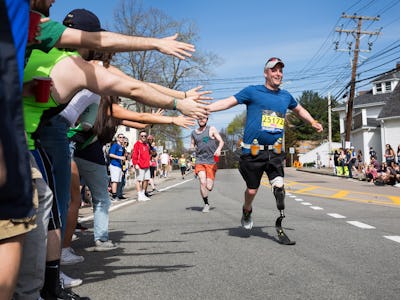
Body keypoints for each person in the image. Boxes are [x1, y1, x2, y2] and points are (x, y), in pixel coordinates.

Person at [207, 57, 323, 237]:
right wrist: (206, 109)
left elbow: (299, 110)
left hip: (275, 152)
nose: (278, 74)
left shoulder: (286, 96)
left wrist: (312, 121)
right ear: (266, 73)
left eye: (280, 71)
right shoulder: (252, 92)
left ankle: (278, 192)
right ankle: (247, 209)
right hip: (252, 152)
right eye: (274, 70)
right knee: (252, 190)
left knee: (278, 184)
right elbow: (228, 102)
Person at [190, 117, 224, 213]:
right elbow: (192, 145)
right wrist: (192, 149)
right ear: (197, 120)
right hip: (199, 160)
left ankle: (211, 181)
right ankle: (206, 204)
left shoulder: (211, 129)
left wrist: (218, 149)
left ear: (207, 120)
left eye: (203, 118)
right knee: (202, 182)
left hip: (211, 161)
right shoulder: (193, 133)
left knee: (209, 187)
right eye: (199, 118)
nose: (201, 120)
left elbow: (221, 141)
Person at [132, 131, 152, 202]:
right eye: (142, 136)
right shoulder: (137, 144)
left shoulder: (146, 144)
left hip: (146, 165)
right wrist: (135, 164)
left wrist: (149, 161)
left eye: (145, 136)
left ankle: (143, 193)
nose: (143, 137)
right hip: (139, 165)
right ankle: (139, 194)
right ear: (139, 136)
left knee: (146, 179)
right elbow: (134, 155)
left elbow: (147, 154)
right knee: (138, 180)